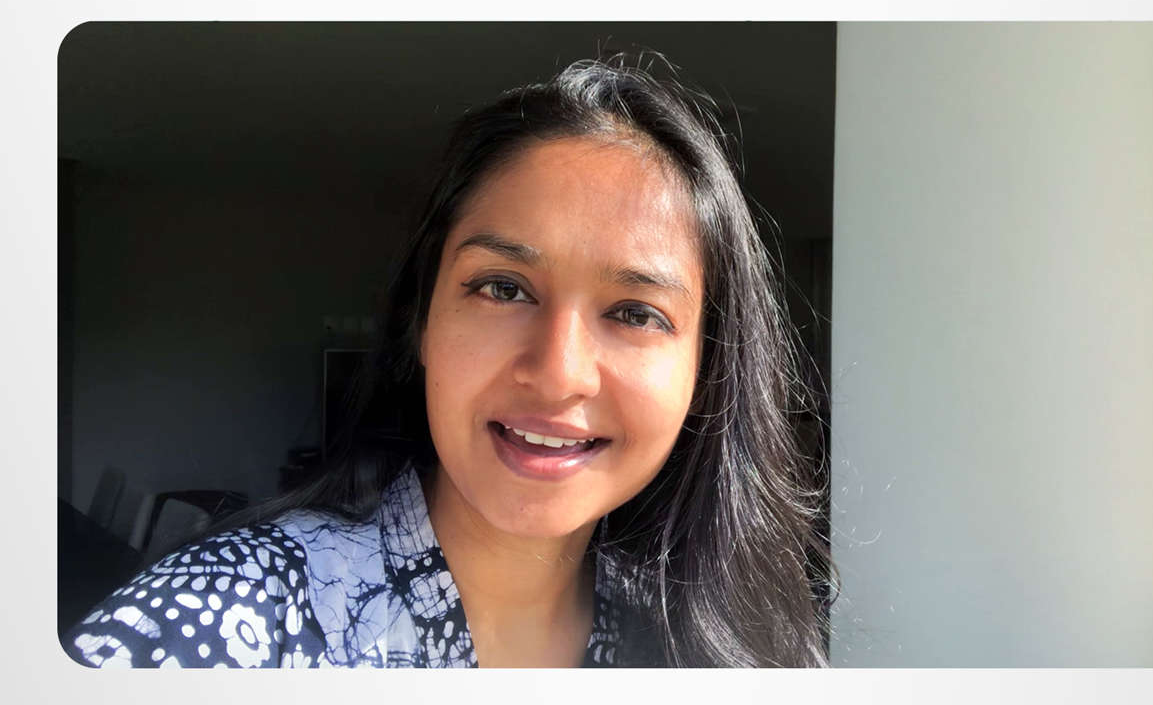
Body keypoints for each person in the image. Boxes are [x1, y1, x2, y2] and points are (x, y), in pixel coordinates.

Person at [62, 56, 835, 668]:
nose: (559, 372)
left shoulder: (714, 647)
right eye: (503, 288)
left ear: (707, 367)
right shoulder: (221, 628)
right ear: (421, 323)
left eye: (635, 312)